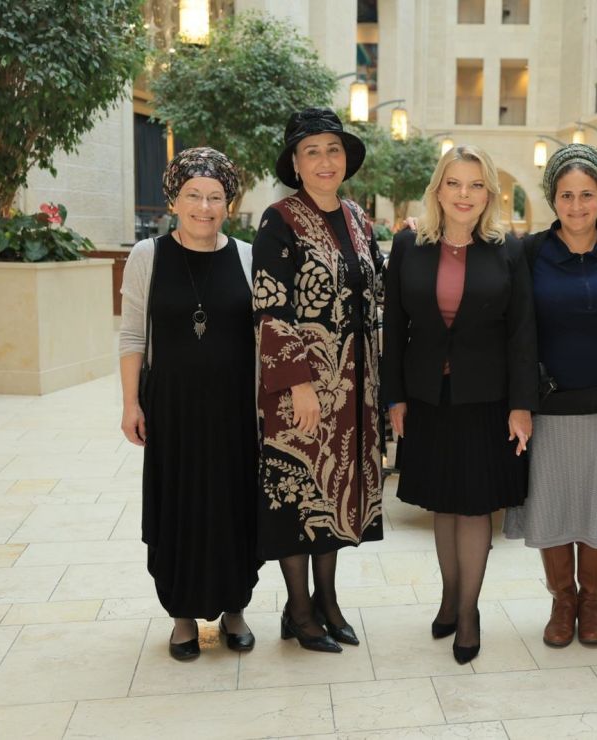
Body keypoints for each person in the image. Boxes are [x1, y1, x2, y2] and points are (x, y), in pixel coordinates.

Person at [382, 145, 536, 664]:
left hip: (486, 398)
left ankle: (468, 613)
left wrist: (521, 405)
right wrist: (394, 395)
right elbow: (393, 326)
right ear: (438, 190)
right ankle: (449, 598)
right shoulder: (409, 244)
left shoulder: (508, 249)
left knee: (473, 506)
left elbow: (522, 333)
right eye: (454, 183)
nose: (463, 194)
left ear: (489, 193)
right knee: (443, 504)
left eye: (475, 185)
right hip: (427, 397)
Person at [503, 144, 597, 648]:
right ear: (553, 198)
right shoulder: (529, 253)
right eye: (566, 195)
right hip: (548, 410)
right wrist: (518, 402)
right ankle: (562, 601)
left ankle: (594, 603)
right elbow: (512, 332)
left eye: (587, 194)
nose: (577, 205)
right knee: (553, 506)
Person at [119, 147, 260, 661]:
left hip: (234, 411)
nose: (204, 206)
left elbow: (264, 338)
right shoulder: (147, 256)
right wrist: (131, 404)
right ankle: (181, 615)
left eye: (215, 197)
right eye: (193, 195)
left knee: (233, 505)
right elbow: (132, 336)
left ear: (229, 203)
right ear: (174, 201)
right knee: (177, 505)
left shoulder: (247, 256)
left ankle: (234, 609)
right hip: (172, 410)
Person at [252, 107, 383, 653]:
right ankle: (299, 611)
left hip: (353, 389)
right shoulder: (278, 219)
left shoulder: (358, 220)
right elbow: (270, 305)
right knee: (299, 497)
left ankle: (327, 602)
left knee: (333, 498)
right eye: (312, 152)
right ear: (296, 164)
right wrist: (297, 383)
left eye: (333, 149)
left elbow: (378, 292)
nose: (325, 160)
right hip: (299, 392)